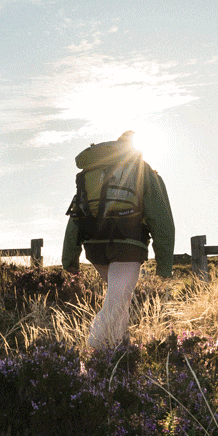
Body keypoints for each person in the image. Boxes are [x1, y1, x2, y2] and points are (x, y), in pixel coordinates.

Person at [60, 130, 174, 349]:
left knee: (120, 301)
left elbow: (76, 216)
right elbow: (160, 218)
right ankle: (94, 350)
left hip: (94, 247)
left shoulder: (92, 172)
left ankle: (119, 354)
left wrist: (70, 259)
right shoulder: (143, 171)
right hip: (127, 245)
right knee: (116, 304)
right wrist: (164, 265)